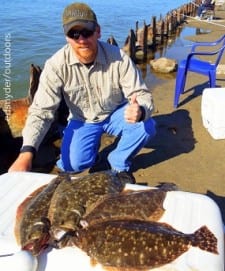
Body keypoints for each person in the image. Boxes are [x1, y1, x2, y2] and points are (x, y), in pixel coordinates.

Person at [8, 2, 156, 183]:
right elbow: (41, 112)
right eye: (74, 34)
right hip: (82, 120)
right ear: (66, 37)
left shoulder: (119, 57)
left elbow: (142, 94)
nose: (81, 39)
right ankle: (89, 156)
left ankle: (118, 163)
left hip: (116, 113)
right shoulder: (55, 66)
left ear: (98, 31)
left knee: (147, 126)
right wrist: (26, 153)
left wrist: (140, 110)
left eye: (87, 32)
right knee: (74, 165)